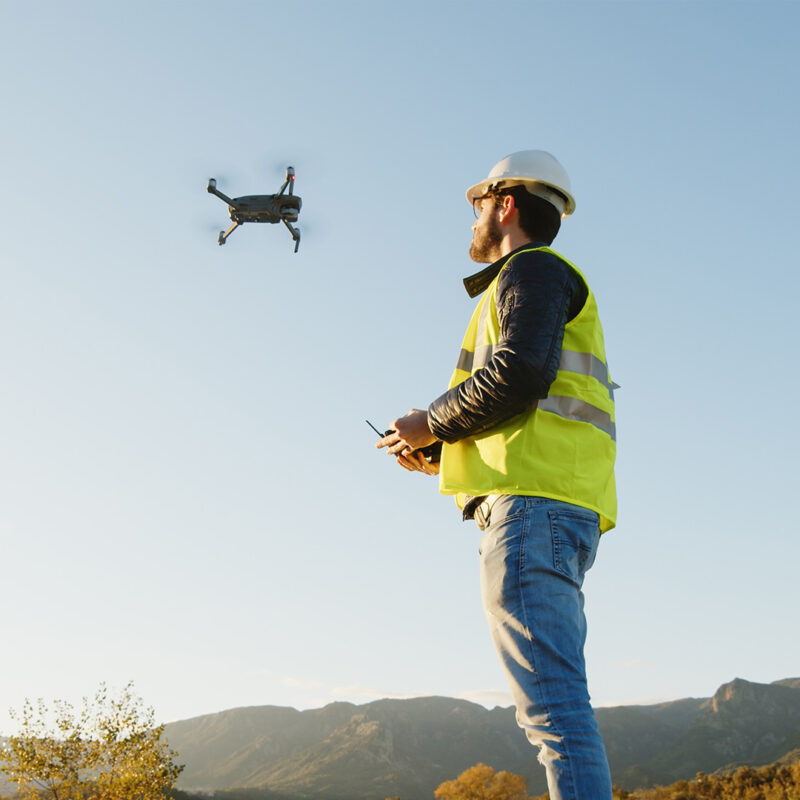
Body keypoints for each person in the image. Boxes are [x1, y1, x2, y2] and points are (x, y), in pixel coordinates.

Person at [377, 150, 617, 800]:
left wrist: (431, 421)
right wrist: (437, 456)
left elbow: (519, 373)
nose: (473, 217)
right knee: (561, 706)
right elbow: (530, 406)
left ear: (505, 204)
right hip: (556, 508)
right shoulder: (542, 277)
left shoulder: (533, 270)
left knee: (555, 714)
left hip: (532, 514)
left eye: (478, 203)